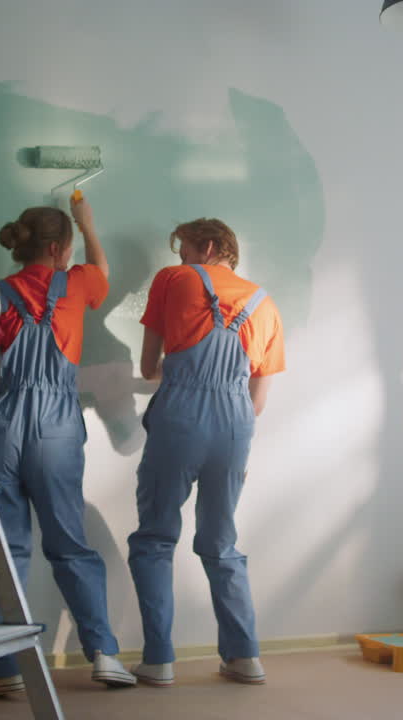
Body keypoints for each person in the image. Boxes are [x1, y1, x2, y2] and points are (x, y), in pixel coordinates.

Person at [0, 196, 135, 692]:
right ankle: (103, 655)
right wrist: (89, 222)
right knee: (70, 543)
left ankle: (5, 669)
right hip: (57, 424)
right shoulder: (79, 282)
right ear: (61, 249)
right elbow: (101, 267)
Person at [127, 218, 285, 687]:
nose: (179, 260)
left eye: (184, 250)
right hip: (235, 426)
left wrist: (177, 373)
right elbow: (257, 403)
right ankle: (245, 657)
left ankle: (158, 661)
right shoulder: (266, 305)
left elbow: (149, 366)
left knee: (155, 537)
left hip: (180, 415)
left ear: (208, 246)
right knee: (221, 542)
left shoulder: (173, 280)